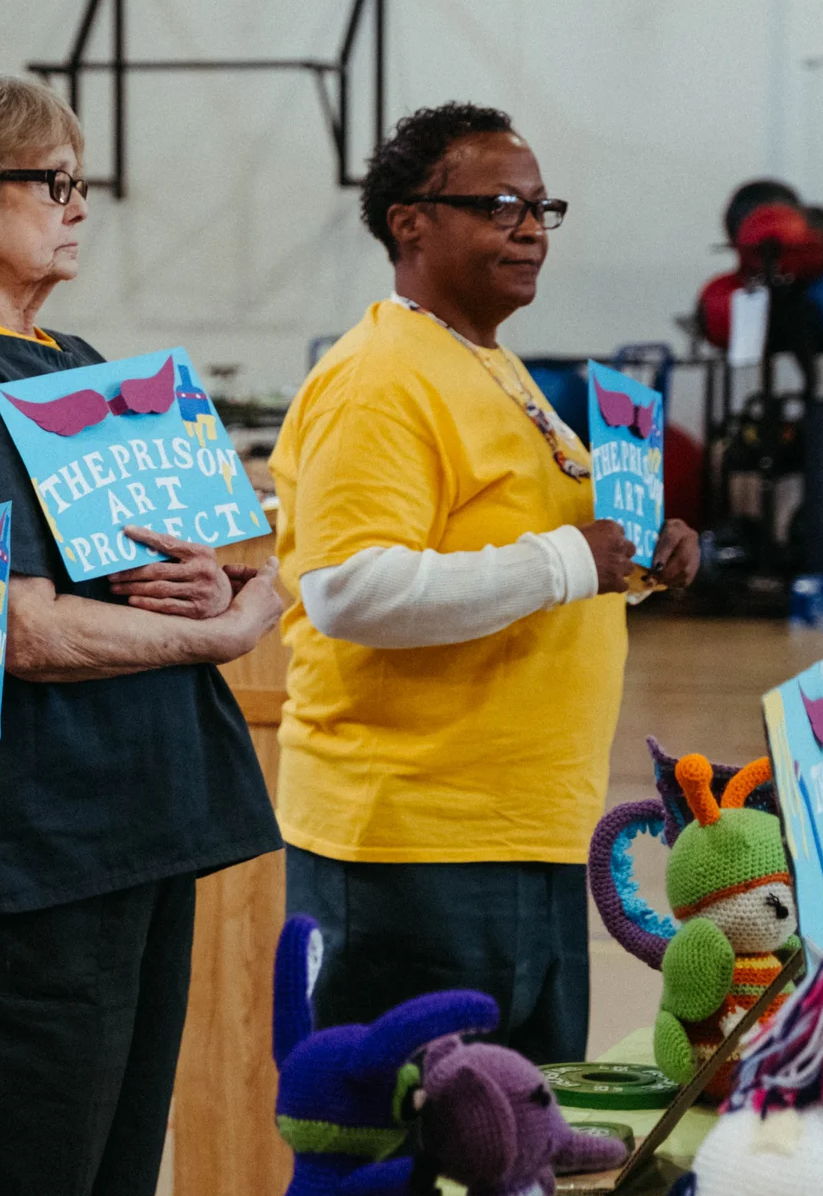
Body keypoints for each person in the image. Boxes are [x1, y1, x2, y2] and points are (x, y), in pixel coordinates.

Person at [0, 76, 285, 1196]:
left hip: (136, 830)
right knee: (35, 1173)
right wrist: (212, 634)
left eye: (85, 183)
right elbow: (4, 624)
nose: (81, 206)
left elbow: (214, 565)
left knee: (118, 1173)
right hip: (39, 852)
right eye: (53, 183)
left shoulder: (73, 356)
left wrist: (225, 586)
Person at [270, 101, 701, 1063]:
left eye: (542, 206)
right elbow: (350, 589)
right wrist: (565, 560)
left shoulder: (491, 365)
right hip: (414, 844)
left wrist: (635, 566)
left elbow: (529, 555)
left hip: (524, 827)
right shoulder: (381, 375)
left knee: (513, 1155)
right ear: (408, 222)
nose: (529, 227)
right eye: (499, 204)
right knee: (402, 1162)